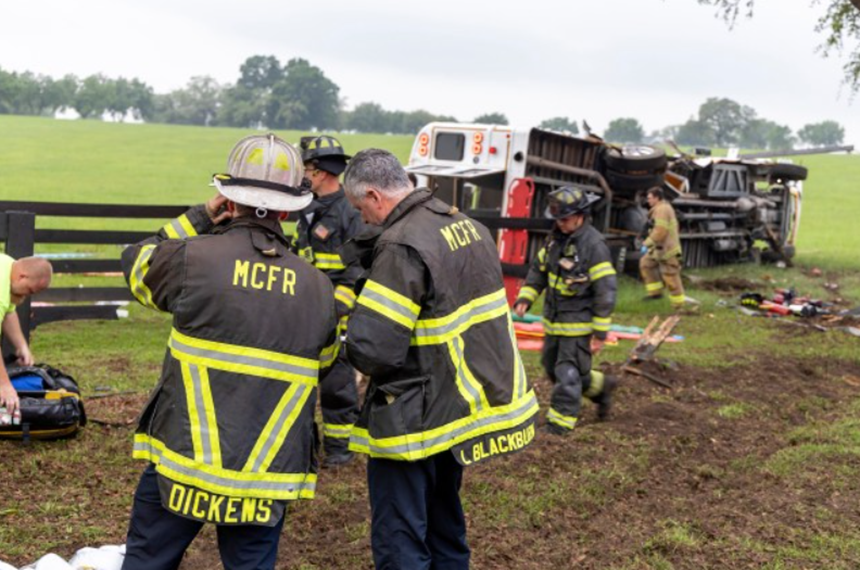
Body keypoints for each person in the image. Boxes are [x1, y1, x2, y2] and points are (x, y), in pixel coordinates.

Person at [120, 134, 339, 570]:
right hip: (266, 474)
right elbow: (326, 360)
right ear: (286, 208)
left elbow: (135, 263)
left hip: (184, 465)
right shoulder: (319, 288)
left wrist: (198, 217)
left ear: (228, 198)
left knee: (148, 561)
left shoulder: (191, 260)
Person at [342, 149, 538, 570]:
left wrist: (342, 336)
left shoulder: (400, 245)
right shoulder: (464, 224)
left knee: (401, 536)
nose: (365, 220)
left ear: (375, 195)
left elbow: (374, 349)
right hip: (459, 407)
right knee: (445, 524)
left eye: (361, 209)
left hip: (414, 416)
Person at [513, 186, 617, 435]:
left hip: (579, 326)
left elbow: (606, 290)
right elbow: (539, 270)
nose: (560, 224)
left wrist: (600, 333)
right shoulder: (555, 241)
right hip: (554, 323)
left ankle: (559, 425)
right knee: (552, 367)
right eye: (557, 219)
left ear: (581, 215)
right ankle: (602, 388)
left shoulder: (594, 246)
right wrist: (526, 298)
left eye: (565, 219)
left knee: (567, 373)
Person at [295, 135, 363, 468]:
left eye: (306, 168)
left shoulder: (350, 211)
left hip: (339, 317)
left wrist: (338, 307)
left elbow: (359, 267)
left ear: (320, 172)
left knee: (337, 386)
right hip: (304, 313)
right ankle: (307, 445)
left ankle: (339, 450)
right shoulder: (304, 208)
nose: (303, 174)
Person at [0, 255, 52, 414]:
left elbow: (9, 312)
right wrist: (4, 386)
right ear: (22, 276)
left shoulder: (8, 265)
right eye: (29, 290)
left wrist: (22, 346)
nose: (26, 296)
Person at [639, 186, 686, 311]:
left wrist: (646, 244)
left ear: (657, 198)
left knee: (670, 276)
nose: (648, 201)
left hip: (667, 250)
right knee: (646, 264)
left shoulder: (662, 210)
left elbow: (660, 231)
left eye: (650, 198)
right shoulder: (659, 208)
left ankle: (678, 305)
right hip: (658, 248)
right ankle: (655, 294)